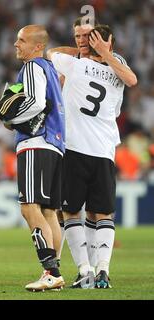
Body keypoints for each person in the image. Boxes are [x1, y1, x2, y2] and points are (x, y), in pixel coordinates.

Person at [48, 19, 137, 288]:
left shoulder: (75, 64)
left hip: (75, 147)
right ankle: (102, 272)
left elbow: (51, 53)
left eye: (86, 37)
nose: (81, 41)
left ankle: (86, 269)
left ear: (99, 40)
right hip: (104, 149)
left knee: (71, 212)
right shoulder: (117, 66)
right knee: (101, 215)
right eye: (77, 36)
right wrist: (102, 52)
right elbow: (131, 79)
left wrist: (81, 53)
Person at [5, 25, 65, 292]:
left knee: (29, 207)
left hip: (35, 143)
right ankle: (54, 272)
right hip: (55, 145)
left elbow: (37, 103)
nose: (16, 44)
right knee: (49, 212)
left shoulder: (32, 67)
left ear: (37, 46)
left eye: (21, 40)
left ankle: (51, 271)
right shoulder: (51, 69)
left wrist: (11, 119)